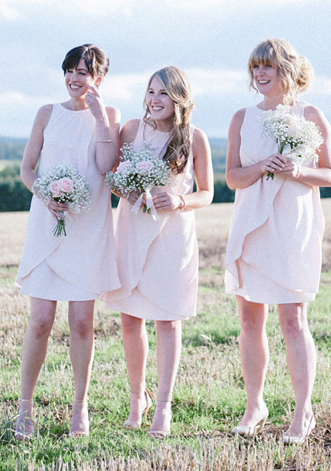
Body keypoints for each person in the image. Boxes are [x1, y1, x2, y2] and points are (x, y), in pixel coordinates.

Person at [223, 38, 331, 444]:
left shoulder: (310, 114)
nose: (260, 74)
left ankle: (302, 410)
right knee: (249, 320)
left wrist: (296, 170)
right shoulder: (242, 117)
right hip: (251, 224)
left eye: (267, 66)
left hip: (293, 225)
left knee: (292, 320)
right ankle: (255, 405)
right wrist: (259, 167)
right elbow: (233, 178)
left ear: (287, 69)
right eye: (255, 67)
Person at [14, 44, 122, 439]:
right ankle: (24, 409)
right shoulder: (46, 113)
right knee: (41, 319)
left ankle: (80, 407)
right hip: (47, 221)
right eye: (70, 71)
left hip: (88, 226)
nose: (75, 79)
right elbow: (26, 169)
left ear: (99, 79)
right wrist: (44, 193)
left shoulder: (108, 116)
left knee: (81, 322)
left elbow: (105, 167)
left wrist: (99, 119)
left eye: (84, 72)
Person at [104, 66, 214, 437]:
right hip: (133, 228)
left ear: (179, 99)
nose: (154, 100)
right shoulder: (131, 130)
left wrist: (180, 199)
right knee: (130, 318)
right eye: (151, 91)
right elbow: (113, 176)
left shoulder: (195, 138)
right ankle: (138, 398)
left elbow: (208, 192)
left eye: (163, 94)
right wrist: (127, 191)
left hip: (173, 234)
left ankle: (163, 407)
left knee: (168, 319)